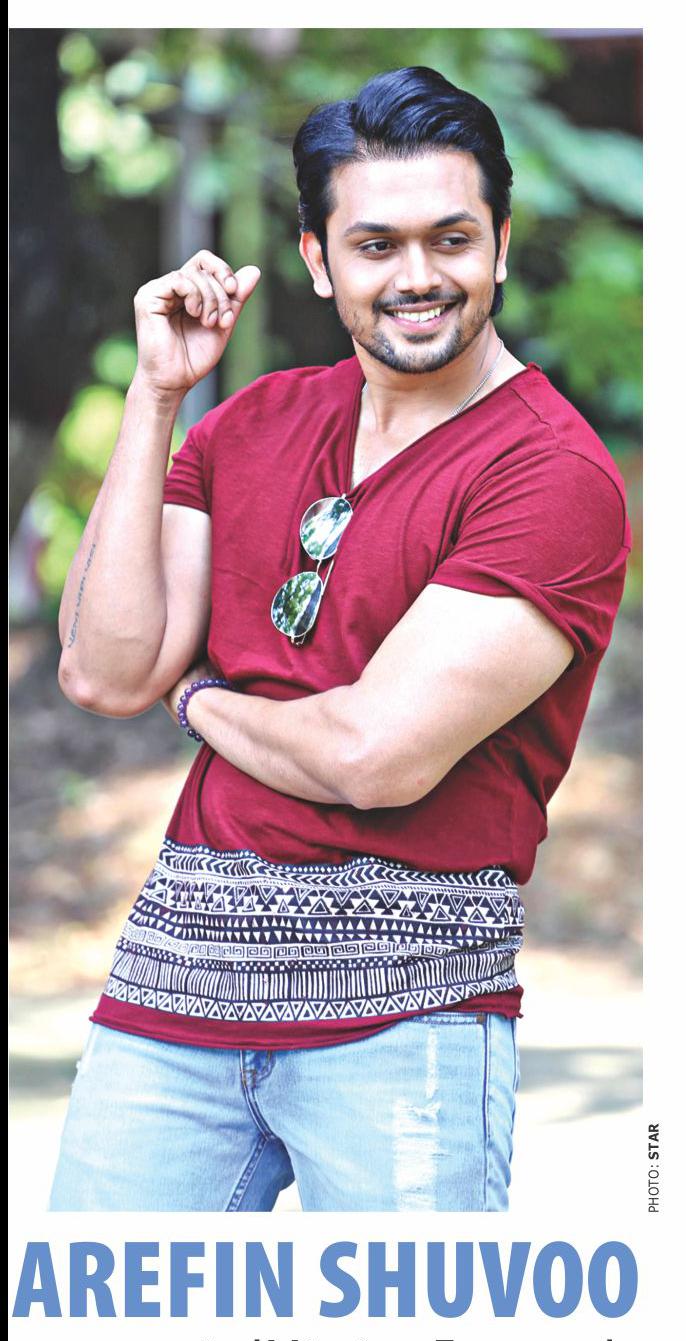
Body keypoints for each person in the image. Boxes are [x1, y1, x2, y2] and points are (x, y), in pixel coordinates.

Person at [49, 66, 631, 1214]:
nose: (416, 276)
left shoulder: (550, 475)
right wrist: (155, 398)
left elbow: (374, 757)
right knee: (103, 1322)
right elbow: (105, 669)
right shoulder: (248, 423)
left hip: (405, 1011)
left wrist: (196, 699)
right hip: (175, 994)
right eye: (375, 245)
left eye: (450, 239)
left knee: (402, 1335)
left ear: (500, 245)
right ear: (318, 260)